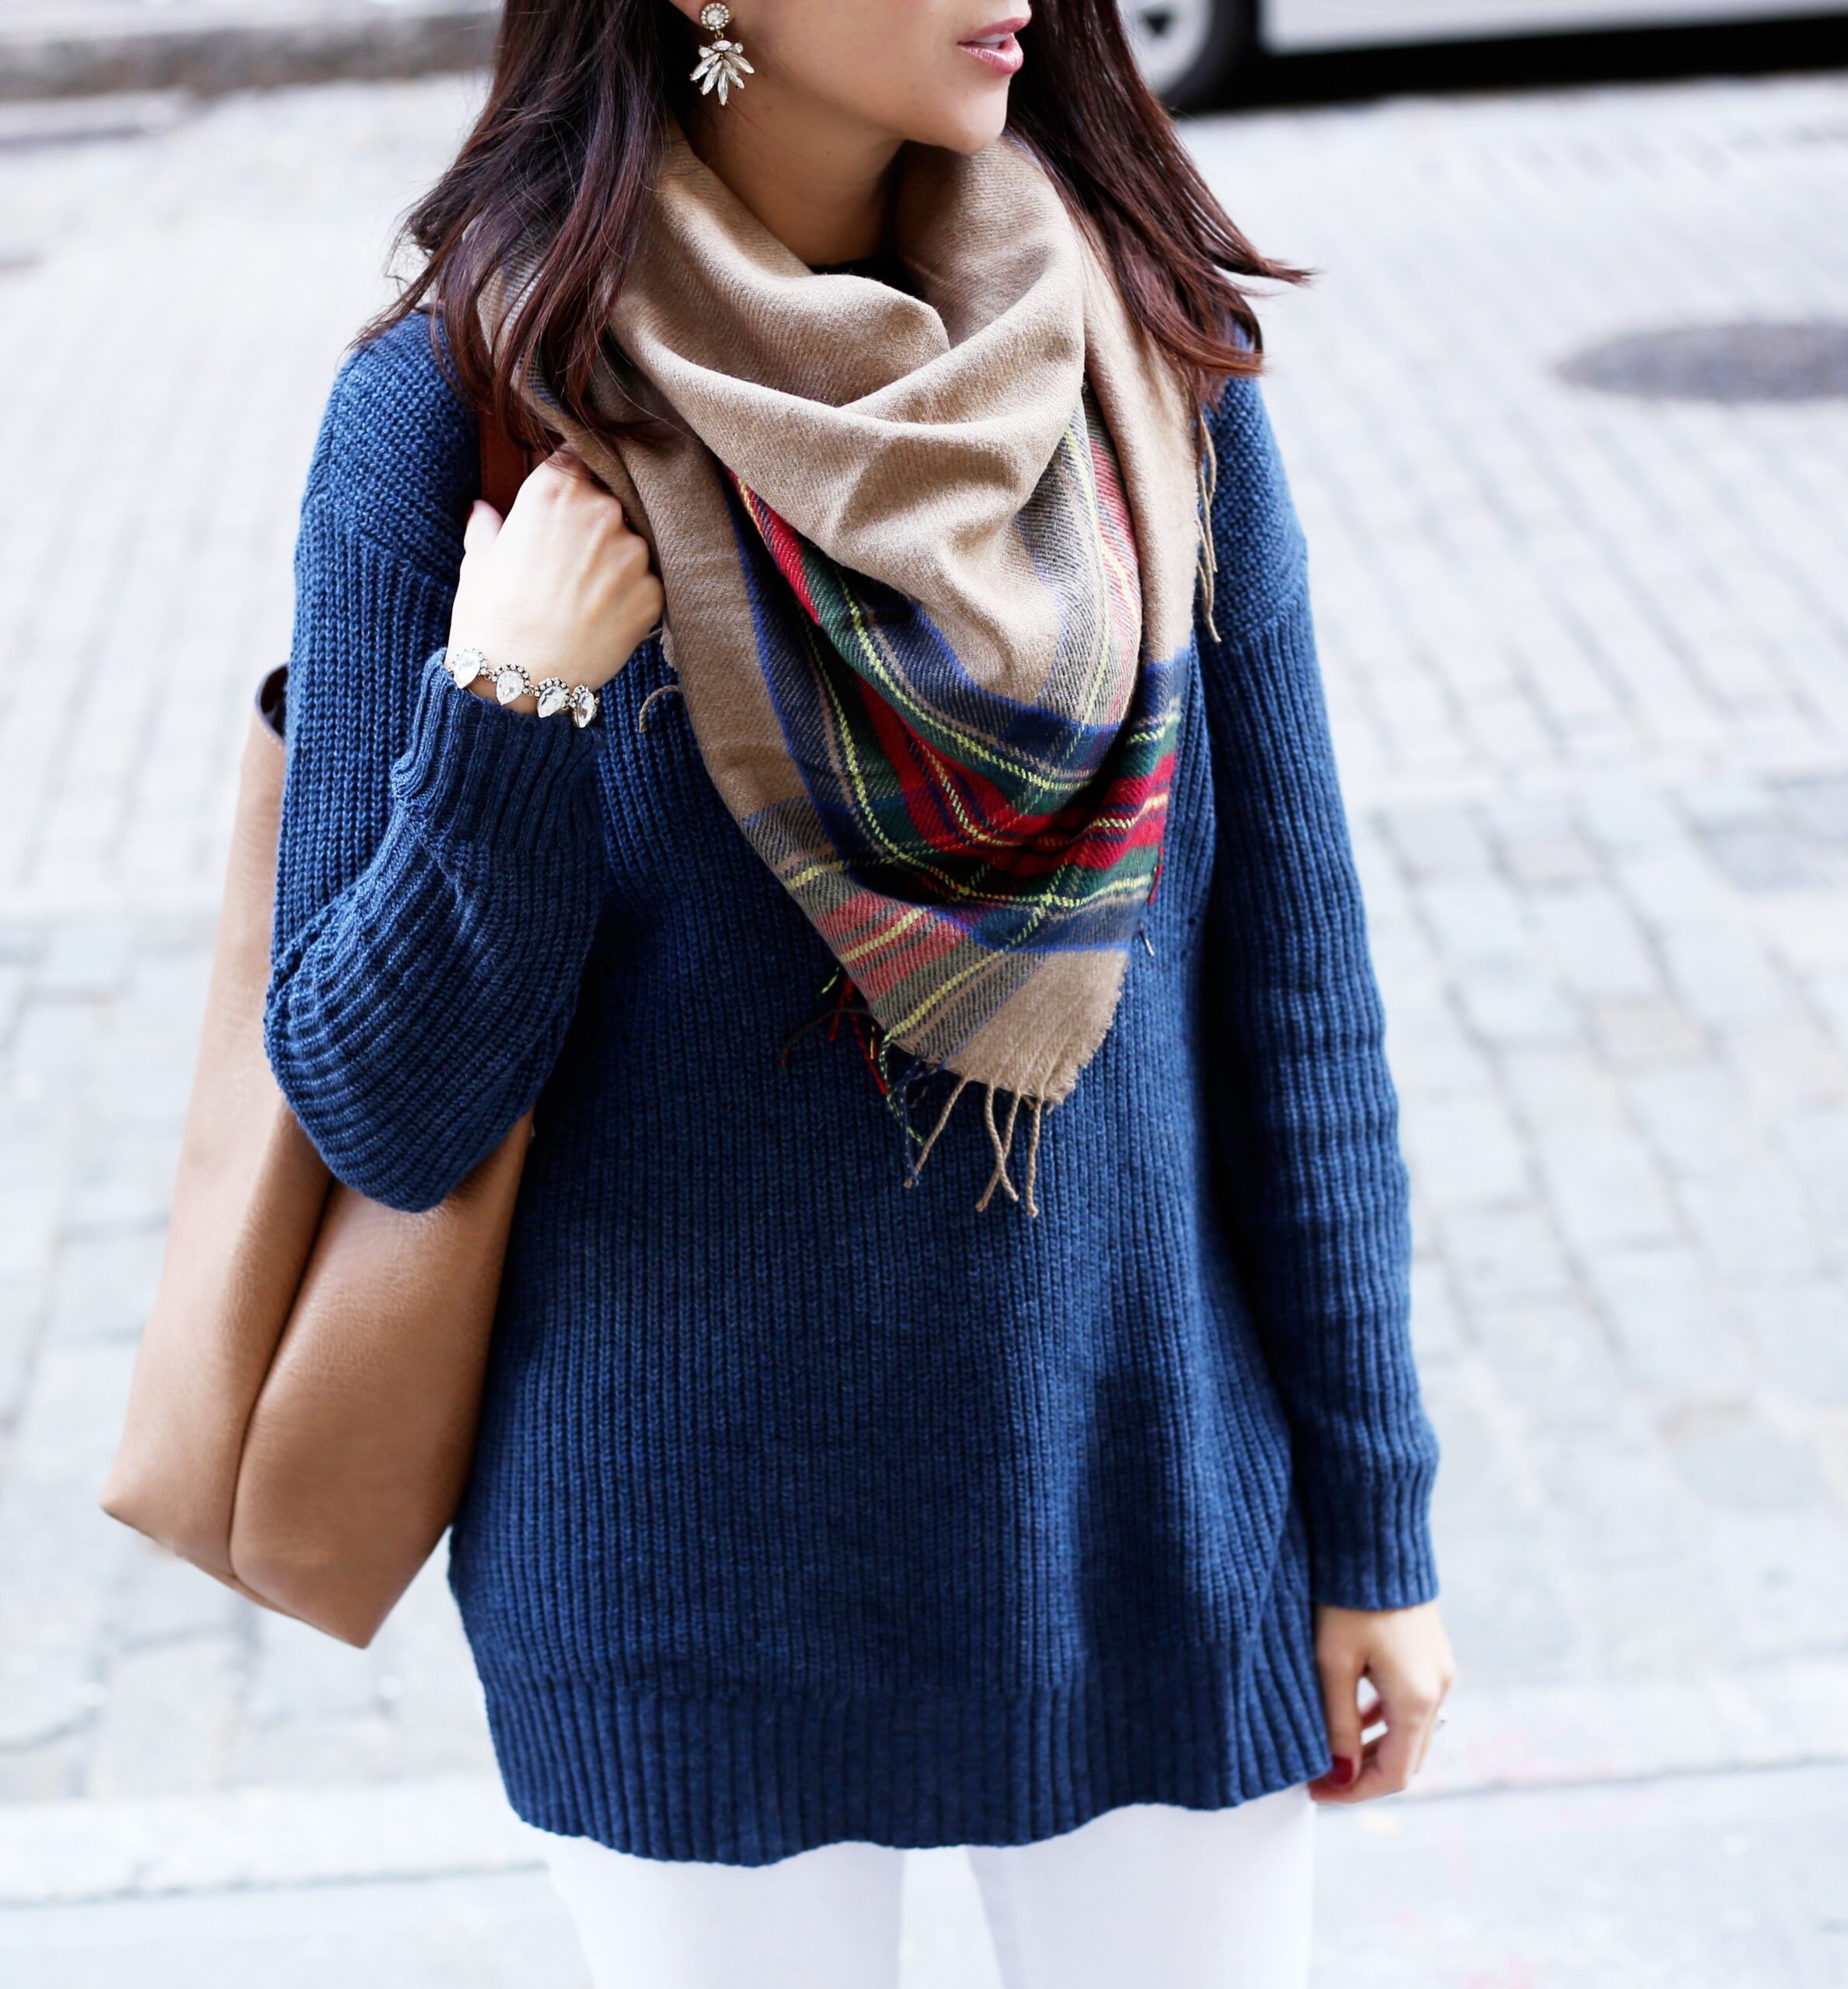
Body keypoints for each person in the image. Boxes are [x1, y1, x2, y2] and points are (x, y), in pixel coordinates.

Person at [265, 0, 1456, 1980]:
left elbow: (1294, 994)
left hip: (1141, 1524)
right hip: (681, 1582)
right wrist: (514, 705)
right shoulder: (469, 406)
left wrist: (1374, 1525)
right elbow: (378, 1105)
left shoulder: (1140, 369)